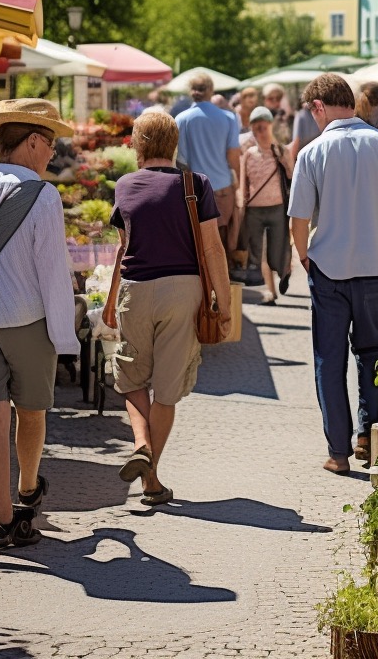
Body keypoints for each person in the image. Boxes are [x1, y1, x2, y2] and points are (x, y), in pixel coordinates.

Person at [289, 73, 378, 474]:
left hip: (328, 269)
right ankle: (368, 434)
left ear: (318, 107)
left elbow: (299, 219)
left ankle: (338, 452)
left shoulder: (312, 152)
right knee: (371, 351)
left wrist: (303, 256)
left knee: (329, 359)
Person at [109, 110, 232, 505]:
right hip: (183, 292)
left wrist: (111, 300)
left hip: (135, 290)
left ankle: (140, 443)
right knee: (166, 390)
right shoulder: (195, 184)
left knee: (131, 378)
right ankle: (151, 480)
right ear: (174, 144)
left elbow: (122, 248)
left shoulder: (125, 186)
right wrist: (224, 306)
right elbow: (213, 248)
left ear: (137, 144)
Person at [0, 99, 77, 549]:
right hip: (27, 320)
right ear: (32, 141)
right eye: (50, 142)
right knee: (31, 411)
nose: (53, 152)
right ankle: (28, 489)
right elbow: (53, 273)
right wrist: (66, 337)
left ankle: (3, 519)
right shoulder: (43, 195)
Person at [176, 73, 240, 251]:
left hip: (194, 190)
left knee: (198, 243)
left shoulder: (181, 119)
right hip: (223, 187)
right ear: (211, 90)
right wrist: (239, 183)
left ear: (191, 91)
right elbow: (233, 156)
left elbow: (181, 161)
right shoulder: (228, 118)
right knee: (222, 241)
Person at [239, 106, 294, 303]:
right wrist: (241, 210)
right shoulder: (248, 154)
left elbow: (292, 176)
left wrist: (284, 161)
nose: (259, 132)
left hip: (277, 209)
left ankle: (285, 270)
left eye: (262, 127)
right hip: (255, 211)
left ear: (270, 126)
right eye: (255, 129)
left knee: (277, 251)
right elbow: (243, 185)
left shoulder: (281, 150)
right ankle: (271, 293)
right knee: (261, 254)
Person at [289, 100, 321, 165]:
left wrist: (291, 163)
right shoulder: (321, 114)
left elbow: (296, 141)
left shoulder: (300, 115)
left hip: (305, 157)